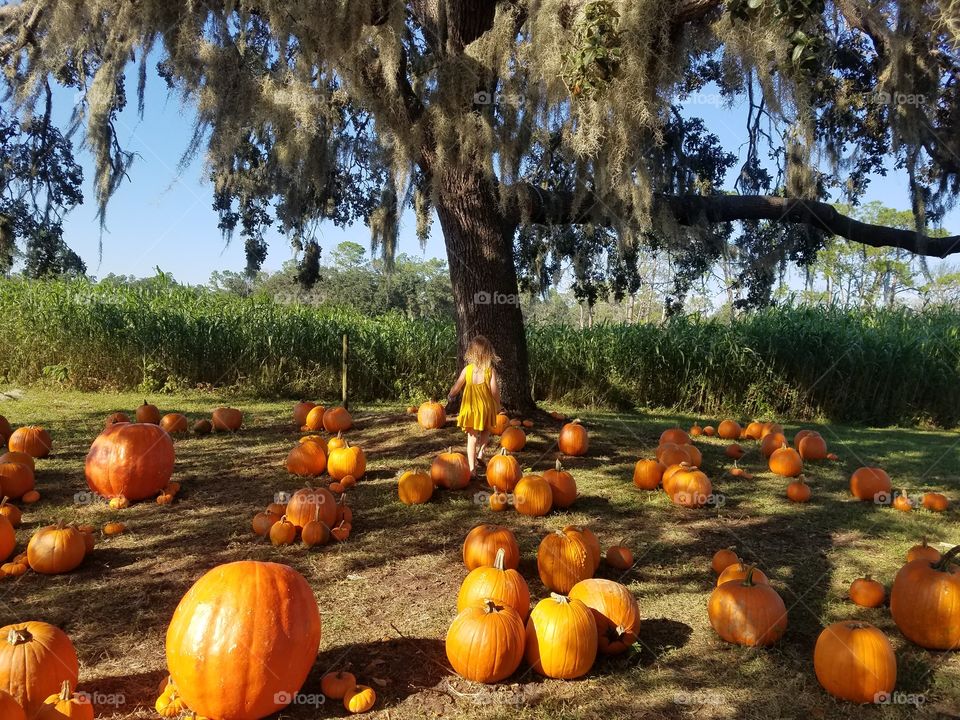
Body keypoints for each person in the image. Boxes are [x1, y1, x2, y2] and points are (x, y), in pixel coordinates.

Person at [447, 335, 501, 478]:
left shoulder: (467, 370)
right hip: (485, 407)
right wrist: (498, 404)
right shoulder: (490, 371)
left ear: (471, 353)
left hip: (470, 409)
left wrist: (451, 395)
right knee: (486, 430)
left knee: (472, 438)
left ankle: (472, 469)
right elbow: (494, 391)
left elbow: (457, 387)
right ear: (488, 352)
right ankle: (481, 453)